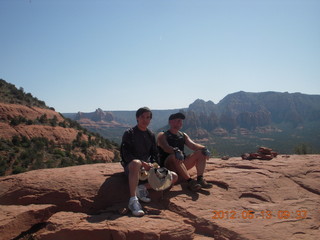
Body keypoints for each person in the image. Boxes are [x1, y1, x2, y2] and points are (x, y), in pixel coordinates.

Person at [120, 107, 178, 217]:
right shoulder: (129, 133)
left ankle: (142, 188)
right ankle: (133, 201)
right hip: (132, 168)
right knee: (136, 163)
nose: (145, 120)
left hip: (147, 170)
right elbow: (125, 155)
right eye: (142, 117)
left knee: (173, 176)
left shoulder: (150, 135)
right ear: (137, 118)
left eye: (148, 117)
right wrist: (142, 163)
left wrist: (153, 164)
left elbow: (155, 154)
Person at [157, 112, 212, 192]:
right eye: (178, 120)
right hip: (168, 165)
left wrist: (204, 148)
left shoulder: (183, 135)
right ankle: (190, 181)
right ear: (170, 122)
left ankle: (200, 179)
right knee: (174, 156)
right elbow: (166, 148)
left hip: (181, 163)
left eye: (181, 121)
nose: (180, 123)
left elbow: (193, 146)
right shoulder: (163, 135)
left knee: (200, 153)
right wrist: (176, 151)